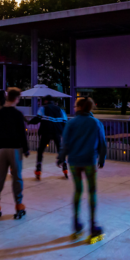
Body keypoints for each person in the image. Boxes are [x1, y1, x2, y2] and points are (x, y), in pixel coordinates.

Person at [57, 97, 106, 243]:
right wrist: (102, 158)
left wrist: (61, 157)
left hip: (74, 162)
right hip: (89, 162)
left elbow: (65, 143)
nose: (73, 108)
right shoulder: (96, 123)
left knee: (77, 191)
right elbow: (102, 142)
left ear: (79, 107)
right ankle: (93, 227)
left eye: (75, 106)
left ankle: (77, 225)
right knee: (92, 192)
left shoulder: (71, 123)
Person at [0, 87, 29, 221]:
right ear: (16, 98)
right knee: (16, 177)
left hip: (1, 149)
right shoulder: (18, 114)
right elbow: (22, 134)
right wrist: (26, 148)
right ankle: (19, 205)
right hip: (15, 149)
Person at [34, 95, 68, 180]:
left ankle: (38, 169)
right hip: (57, 132)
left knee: (40, 150)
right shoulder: (60, 109)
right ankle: (65, 168)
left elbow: (37, 118)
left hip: (46, 132)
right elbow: (64, 121)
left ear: (45, 101)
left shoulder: (43, 108)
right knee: (60, 149)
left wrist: (29, 122)